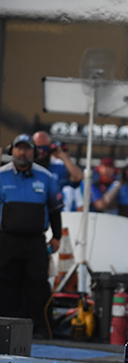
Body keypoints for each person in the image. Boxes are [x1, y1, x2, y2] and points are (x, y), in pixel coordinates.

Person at [0, 134, 63, 338]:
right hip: (7, 240)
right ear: (12, 151)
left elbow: (55, 209)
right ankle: (7, 330)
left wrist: (57, 236)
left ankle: (41, 330)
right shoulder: (2, 175)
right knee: (7, 284)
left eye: (27, 149)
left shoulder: (46, 177)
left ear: (33, 152)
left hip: (36, 241)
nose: (22, 153)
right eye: (19, 148)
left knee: (38, 285)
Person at [32, 131, 83, 211]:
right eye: (38, 148)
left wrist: (62, 156)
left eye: (45, 148)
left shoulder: (57, 167)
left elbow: (78, 177)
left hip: (52, 213)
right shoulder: (26, 166)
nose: (41, 151)